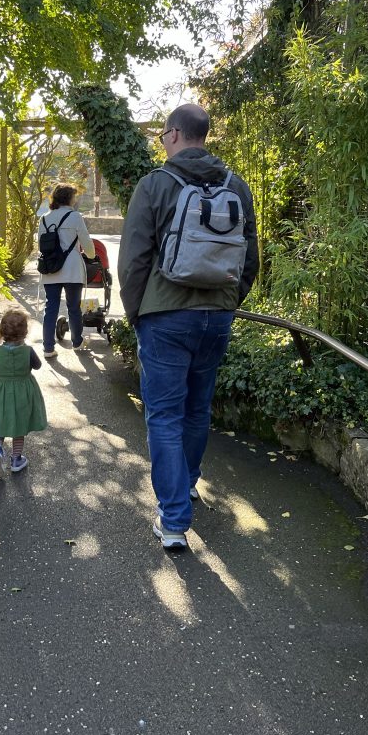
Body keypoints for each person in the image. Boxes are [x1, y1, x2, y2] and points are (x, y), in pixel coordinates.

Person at [118, 104, 259, 552]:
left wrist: (137, 311)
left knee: (163, 415)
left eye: (162, 134)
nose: (161, 140)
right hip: (216, 317)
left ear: (175, 134)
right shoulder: (237, 186)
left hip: (165, 316)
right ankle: (188, 483)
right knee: (198, 409)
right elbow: (250, 259)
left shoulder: (155, 185)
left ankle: (174, 518)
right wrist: (228, 303)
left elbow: (134, 259)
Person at [0, 308, 47, 476]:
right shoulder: (28, 351)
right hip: (23, 394)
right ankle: (16, 459)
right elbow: (37, 366)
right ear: (25, 332)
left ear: (2, 332)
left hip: (0, 392)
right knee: (19, 427)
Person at [38, 183, 95, 358]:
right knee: (74, 307)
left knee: (51, 308)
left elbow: (41, 245)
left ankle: (48, 348)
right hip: (72, 270)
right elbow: (87, 244)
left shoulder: (44, 218)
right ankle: (77, 342)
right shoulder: (75, 216)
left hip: (51, 269)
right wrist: (91, 256)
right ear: (69, 198)